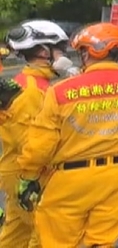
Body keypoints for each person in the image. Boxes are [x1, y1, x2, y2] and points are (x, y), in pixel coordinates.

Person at [16, 22, 118, 248]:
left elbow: (41, 143)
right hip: (117, 178)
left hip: (69, 180)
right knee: (103, 242)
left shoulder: (61, 91)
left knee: (58, 242)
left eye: (82, 51)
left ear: (88, 52)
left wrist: (28, 175)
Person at [0, 20, 78, 247]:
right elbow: (30, 143)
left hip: (22, 173)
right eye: (60, 50)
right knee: (45, 235)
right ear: (44, 51)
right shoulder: (32, 90)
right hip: (28, 175)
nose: (64, 55)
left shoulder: (39, 84)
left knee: (16, 236)